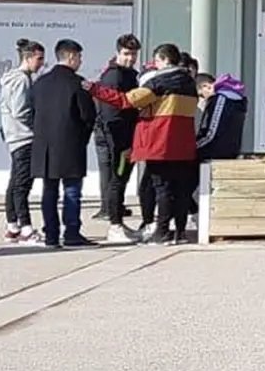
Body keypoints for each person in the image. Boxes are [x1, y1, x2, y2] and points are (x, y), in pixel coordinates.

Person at [86, 43, 200, 246]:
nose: (155, 65)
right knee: (181, 189)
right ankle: (180, 232)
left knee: (162, 188)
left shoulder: (160, 82)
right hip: (183, 143)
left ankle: (162, 232)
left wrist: (94, 89)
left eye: (157, 61)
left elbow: (126, 101)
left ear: (164, 60)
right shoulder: (190, 83)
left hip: (160, 142)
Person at [28, 39, 99, 249]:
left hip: (45, 147)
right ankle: (72, 232)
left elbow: (31, 113)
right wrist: (82, 138)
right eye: (78, 57)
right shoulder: (78, 83)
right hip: (70, 145)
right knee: (72, 191)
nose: (80, 61)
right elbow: (88, 116)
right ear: (70, 56)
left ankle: (51, 234)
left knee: (49, 191)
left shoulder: (40, 83)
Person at [94, 34, 142, 241]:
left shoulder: (130, 74)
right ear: (118, 53)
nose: (130, 58)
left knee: (120, 180)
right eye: (126, 54)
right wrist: (122, 144)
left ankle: (118, 223)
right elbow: (111, 114)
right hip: (118, 138)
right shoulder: (114, 77)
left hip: (127, 136)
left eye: (133, 54)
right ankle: (114, 225)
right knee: (117, 181)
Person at [0, 40, 42, 244]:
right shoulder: (21, 80)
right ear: (28, 57)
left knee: (15, 181)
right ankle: (25, 228)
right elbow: (20, 111)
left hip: (15, 137)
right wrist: (38, 124)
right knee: (22, 184)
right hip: (24, 137)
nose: (41, 63)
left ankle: (12, 225)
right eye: (39, 58)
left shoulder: (13, 79)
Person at [195, 73, 247, 161]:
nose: (203, 99)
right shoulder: (237, 100)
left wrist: (194, 146)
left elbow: (211, 133)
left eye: (201, 95)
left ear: (206, 86)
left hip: (213, 154)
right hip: (231, 153)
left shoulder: (220, 100)